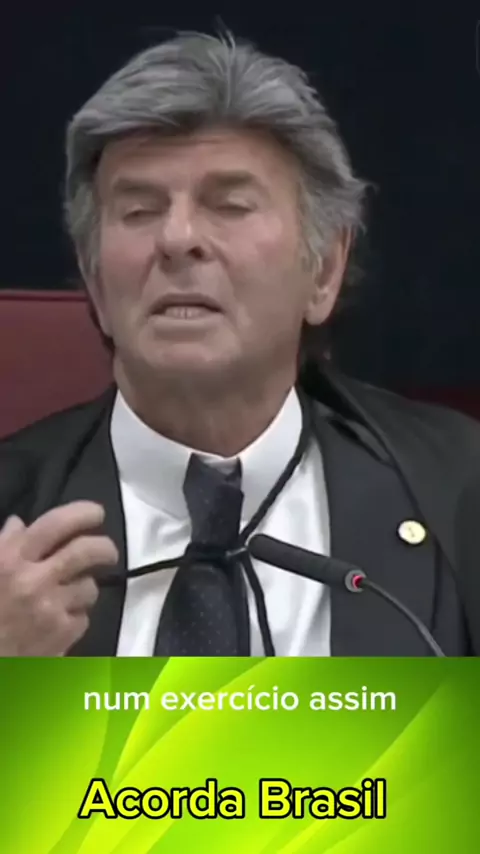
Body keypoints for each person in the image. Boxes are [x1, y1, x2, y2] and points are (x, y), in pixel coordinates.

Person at [0, 31, 478, 658]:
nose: (177, 239)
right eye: (139, 211)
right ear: (95, 279)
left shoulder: (460, 489)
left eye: (229, 205)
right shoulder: (11, 514)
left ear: (324, 270)